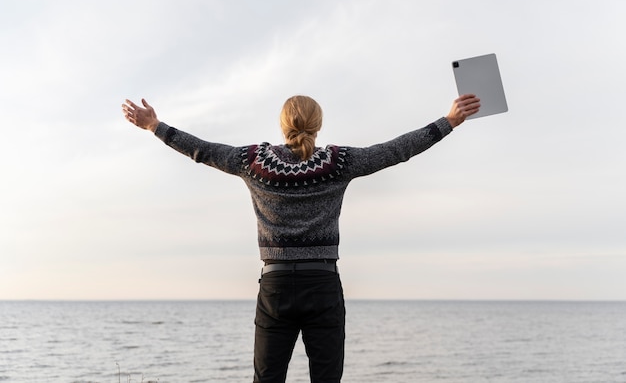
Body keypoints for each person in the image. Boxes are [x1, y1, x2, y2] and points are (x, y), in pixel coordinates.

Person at [122, 94, 480, 383]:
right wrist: (448, 121)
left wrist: (155, 125)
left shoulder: (253, 161)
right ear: (318, 125)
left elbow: (202, 150)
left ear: (283, 125)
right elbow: (396, 151)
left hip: (275, 285)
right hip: (322, 283)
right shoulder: (339, 162)